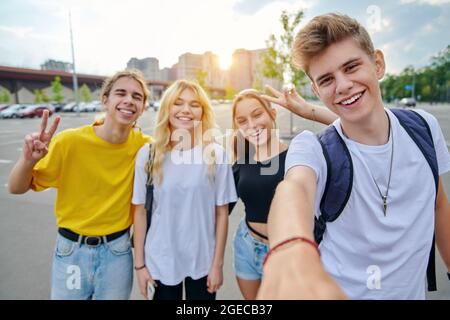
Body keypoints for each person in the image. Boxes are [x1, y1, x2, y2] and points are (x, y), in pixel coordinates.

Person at [257, 13, 450, 300]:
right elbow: (293, 190)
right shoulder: (313, 148)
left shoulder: (423, 127)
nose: (343, 85)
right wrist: (290, 248)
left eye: (351, 67)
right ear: (316, 90)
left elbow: (437, 205)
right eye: (327, 79)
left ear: (378, 63)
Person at [8, 69, 151, 300]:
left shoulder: (145, 147)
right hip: (72, 251)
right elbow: (15, 188)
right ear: (105, 100)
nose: (129, 100)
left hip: (117, 252)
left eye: (137, 97)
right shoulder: (69, 142)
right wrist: (28, 160)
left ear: (143, 107)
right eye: (121, 93)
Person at [132, 79, 237, 300]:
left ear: (203, 112)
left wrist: (217, 264)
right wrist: (139, 266)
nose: (186, 110)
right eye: (178, 103)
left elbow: (222, 214)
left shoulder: (216, 155)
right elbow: (139, 212)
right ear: (167, 108)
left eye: (194, 104)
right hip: (160, 260)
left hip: (203, 260)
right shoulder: (148, 154)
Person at [230, 88, 337, 299]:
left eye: (257, 114)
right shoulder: (241, 160)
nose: (251, 125)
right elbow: (220, 208)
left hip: (292, 252)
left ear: (273, 113)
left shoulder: (299, 154)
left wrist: (308, 111)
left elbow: (349, 129)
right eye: (242, 121)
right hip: (247, 246)